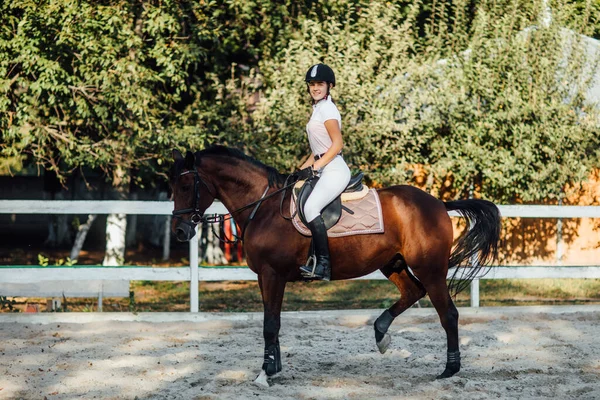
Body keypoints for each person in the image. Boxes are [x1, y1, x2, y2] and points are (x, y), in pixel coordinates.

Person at [294, 63, 351, 281]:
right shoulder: (317, 109)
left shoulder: (327, 109)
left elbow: (337, 144)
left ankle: (323, 265)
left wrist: (316, 167)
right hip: (322, 167)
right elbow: (317, 150)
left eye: (320, 84)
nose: (315, 88)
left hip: (334, 169)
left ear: (329, 86)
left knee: (310, 208)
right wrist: (298, 172)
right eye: (312, 84)